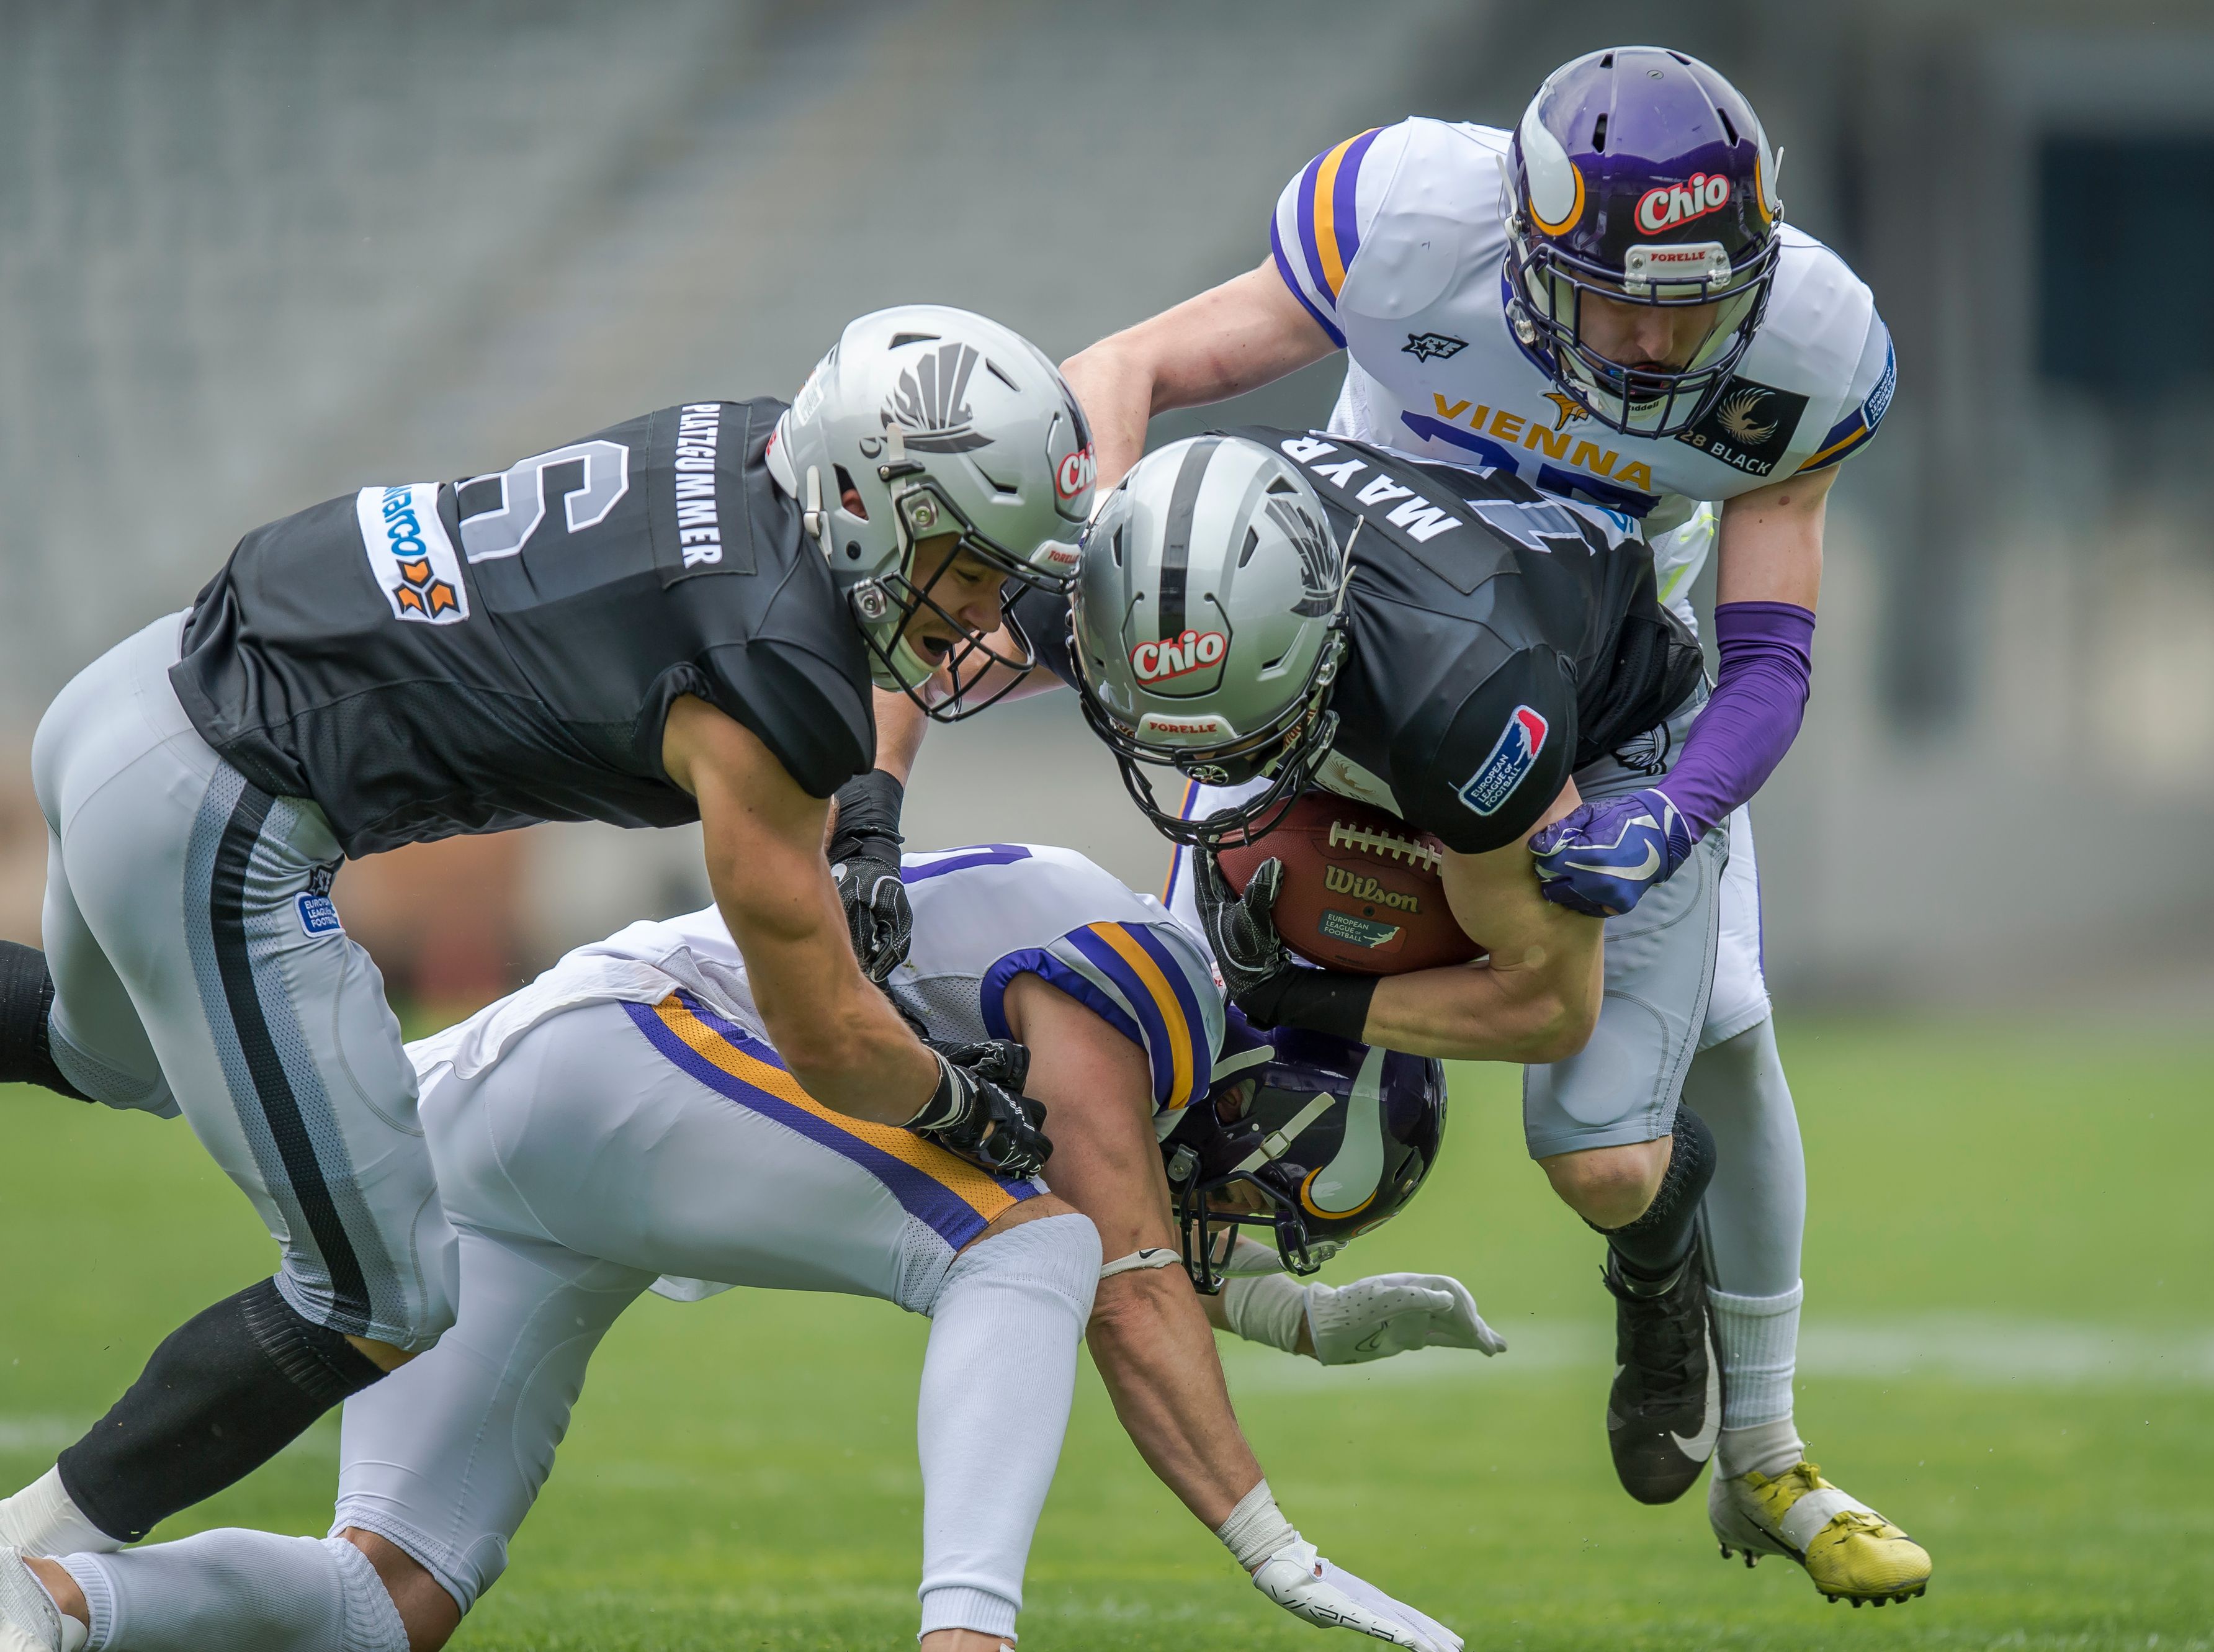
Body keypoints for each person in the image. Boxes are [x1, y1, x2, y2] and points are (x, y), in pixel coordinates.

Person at [0, 307, 1077, 1572]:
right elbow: (828, 1036)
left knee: (106, 1053)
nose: (982, 603)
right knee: (380, 1291)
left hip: (130, 691)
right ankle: (30, 1550)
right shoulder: (770, 670)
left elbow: (745, 619)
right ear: (861, 505)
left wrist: (858, 821)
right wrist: (955, 1099)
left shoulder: (746, 447)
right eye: (965, 562)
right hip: (218, 812)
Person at [1047, 45, 1919, 1602]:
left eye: (1691, 303)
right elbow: (1132, 367)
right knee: (1186, 1057)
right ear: (1518, 249)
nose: (1656, 343)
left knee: (1681, 1050)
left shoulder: (1804, 346)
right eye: (1617, 296)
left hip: (1585, 695)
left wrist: (1670, 808)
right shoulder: (1404, 217)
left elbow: (1773, 654)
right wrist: (1111, 562)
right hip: (1326, 658)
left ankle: (1764, 1443)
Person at [0, 840, 1484, 1652]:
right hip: (614, 1055)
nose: (1241, 1234)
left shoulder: (1132, 990)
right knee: (1022, 1250)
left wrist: (1293, 1321)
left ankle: (52, 1602)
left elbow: (1148, 1237)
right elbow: (1118, 1262)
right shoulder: (1146, 973)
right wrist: (1267, 1539)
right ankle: (968, 1638)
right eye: (1259, 1197)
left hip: (545, 1131)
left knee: (383, 1596)